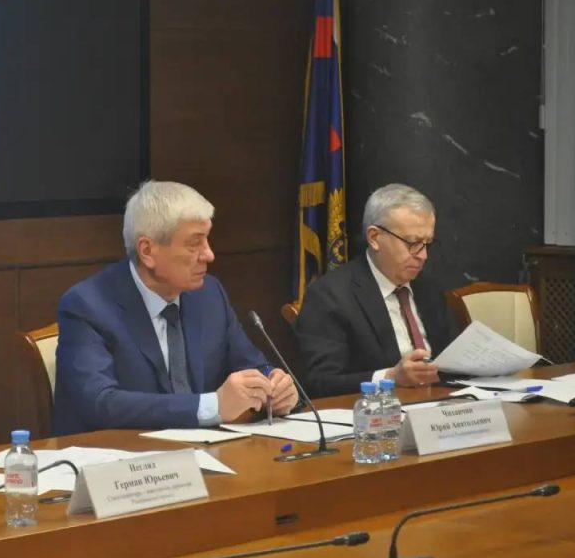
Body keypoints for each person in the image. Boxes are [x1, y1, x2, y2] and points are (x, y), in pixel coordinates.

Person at [52, 180, 298, 435]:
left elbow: (250, 365)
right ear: (147, 251)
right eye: (194, 244)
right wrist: (213, 405)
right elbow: (100, 403)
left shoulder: (209, 294)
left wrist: (273, 386)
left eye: (207, 239)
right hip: (121, 454)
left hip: (207, 451)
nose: (209, 255)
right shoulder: (87, 306)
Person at [296, 183, 456, 398]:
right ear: (374, 237)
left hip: (442, 405)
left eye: (427, 243)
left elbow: (453, 355)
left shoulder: (428, 288)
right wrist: (390, 377)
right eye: (412, 243)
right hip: (377, 410)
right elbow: (319, 381)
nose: (423, 255)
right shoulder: (330, 295)